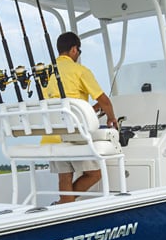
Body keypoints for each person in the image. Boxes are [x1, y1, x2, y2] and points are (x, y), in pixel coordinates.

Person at [41, 31, 119, 203]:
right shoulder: (80, 71)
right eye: (79, 51)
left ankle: (64, 205)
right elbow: (104, 101)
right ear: (74, 49)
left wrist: (90, 110)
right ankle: (64, 203)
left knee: (65, 177)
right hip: (74, 136)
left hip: (52, 134)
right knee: (94, 174)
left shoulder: (46, 73)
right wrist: (112, 119)